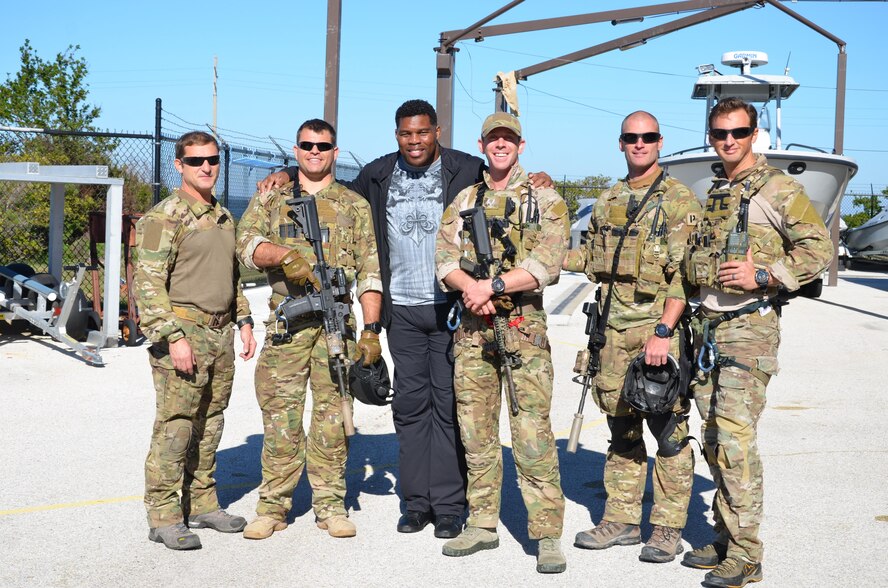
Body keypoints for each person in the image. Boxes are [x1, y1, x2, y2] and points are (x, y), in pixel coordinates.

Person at [258, 99, 552, 539]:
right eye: (405, 134)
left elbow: (504, 174)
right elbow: (320, 180)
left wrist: (541, 177)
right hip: (404, 310)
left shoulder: (466, 169)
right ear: (397, 135)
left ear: (436, 131)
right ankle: (416, 503)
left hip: (455, 307)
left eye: (423, 132)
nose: (414, 141)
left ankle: (451, 505)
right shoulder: (378, 174)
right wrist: (284, 172)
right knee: (411, 406)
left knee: (450, 405)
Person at [680, 97, 832, 587]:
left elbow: (818, 247)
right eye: (721, 133)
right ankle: (727, 536)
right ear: (711, 136)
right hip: (708, 327)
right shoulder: (718, 190)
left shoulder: (778, 188)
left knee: (735, 440)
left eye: (739, 133)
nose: (729, 141)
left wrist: (767, 273)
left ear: (754, 134)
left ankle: (747, 554)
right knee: (711, 439)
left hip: (750, 327)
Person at [564, 112, 702, 563]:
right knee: (621, 430)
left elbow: (685, 278)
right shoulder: (609, 199)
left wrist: (664, 331)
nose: (638, 144)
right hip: (611, 332)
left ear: (660, 142)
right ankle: (621, 519)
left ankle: (666, 528)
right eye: (630, 138)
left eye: (647, 138)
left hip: (656, 333)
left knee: (669, 433)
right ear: (620, 143)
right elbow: (590, 259)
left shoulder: (680, 201)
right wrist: (542, 254)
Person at [235, 118, 383, 540]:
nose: (314, 152)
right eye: (307, 145)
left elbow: (370, 271)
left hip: (336, 324)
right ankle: (273, 505)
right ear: (296, 149)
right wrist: (283, 256)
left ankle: (330, 504)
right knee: (281, 416)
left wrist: (371, 330)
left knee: (333, 417)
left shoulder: (354, 205)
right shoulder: (272, 197)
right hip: (288, 321)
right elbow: (244, 245)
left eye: (323, 146)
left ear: (335, 152)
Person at [435, 112, 569, 574]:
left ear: (521, 144)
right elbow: (444, 257)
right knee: (476, 432)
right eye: (493, 139)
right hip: (473, 331)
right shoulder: (466, 199)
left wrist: (490, 287)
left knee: (531, 433)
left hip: (522, 330)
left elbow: (546, 262)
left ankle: (548, 534)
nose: (500, 146)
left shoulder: (545, 199)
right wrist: (467, 287)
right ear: (482, 144)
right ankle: (482, 522)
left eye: (508, 139)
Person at [134, 130, 257, 551]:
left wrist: (243, 319)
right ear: (179, 165)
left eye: (212, 160)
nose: (206, 167)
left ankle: (202, 503)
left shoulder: (223, 216)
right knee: (177, 425)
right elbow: (147, 284)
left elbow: (232, 277)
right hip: (185, 332)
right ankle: (164, 515)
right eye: (196, 160)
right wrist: (172, 337)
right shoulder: (164, 216)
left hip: (220, 334)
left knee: (211, 422)